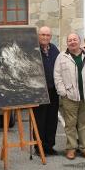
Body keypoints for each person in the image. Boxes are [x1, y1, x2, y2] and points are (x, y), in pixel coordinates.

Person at [54, 33, 85, 160]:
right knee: (70, 123)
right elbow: (57, 76)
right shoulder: (62, 57)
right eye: (70, 40)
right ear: (67, 43)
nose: (72, 42)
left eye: (75, 39)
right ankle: (71, 148)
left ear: (80, 41)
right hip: (69, 96)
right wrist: (63, 92)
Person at [33, 26, 61, 155]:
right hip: (39, 91)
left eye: (47, 35)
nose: (45, 37)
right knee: (39, 120)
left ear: (51, 37)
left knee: (52, 119)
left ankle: (49, 145)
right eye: (43, 35)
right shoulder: (33, 49)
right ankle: (39, 146)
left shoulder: (54, 49)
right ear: (38, 35)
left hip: (53, 90)